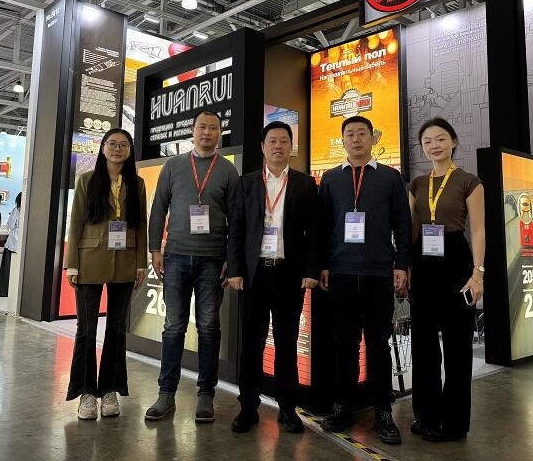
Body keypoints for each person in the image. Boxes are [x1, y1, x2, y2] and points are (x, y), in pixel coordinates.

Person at [318, 115, 410, 445]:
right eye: (350, 134)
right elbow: (323, 227)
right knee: (344, 345)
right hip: (341, 273)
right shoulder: (330, 179)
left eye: (362, 134)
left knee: (378, 345)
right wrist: (323, 265)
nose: (356, 139)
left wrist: (401, 264)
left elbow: (402, 224)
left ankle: (382, 411)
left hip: (378, 274)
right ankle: (342, 405)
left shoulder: (390, 177)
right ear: (342, 141)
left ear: (373, 138)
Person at [145, 110, 238, 424]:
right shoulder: (173, 166)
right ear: (192, 130)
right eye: (202, 127)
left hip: (213, 260)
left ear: (220, 133)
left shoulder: (227, 170)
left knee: (209, 327)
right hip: (175, 257)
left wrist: (231, 257)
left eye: (213, 128)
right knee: (173, 326)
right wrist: (154, 249)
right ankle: (166, 394)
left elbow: (236, 218)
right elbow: (159, 208)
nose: (207, 132)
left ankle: (206, 394)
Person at [226, 121, 319, 434]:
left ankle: (288, 409)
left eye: (283, 141)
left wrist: (311, 270)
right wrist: (235, 269)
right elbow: (236, 230)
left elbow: (314, 233)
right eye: (272, 141)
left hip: (288, 274)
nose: (278, 146)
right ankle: (248, 407)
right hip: (254, 275)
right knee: (251, 343)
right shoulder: (246, 183)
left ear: (291, 147)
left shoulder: (305, 184)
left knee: (286, 343)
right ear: (263, 147)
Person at [408, 118, 485, 442]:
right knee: (424, 346)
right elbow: (412, 229)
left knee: (457, 347)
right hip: (423, 264)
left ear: (453, 141)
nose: (434, 145)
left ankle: (454, 423)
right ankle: (426, 415)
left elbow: (478, 230)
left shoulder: (469, 182)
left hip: (456, 261)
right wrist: (406, 267)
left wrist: (477, 274)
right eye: (427, 141)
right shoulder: (416, 184)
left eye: (440, 139)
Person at [64, 129, 147, 420]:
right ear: (102, 148)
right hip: (89, 260)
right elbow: (76, 222)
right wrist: (71, 263)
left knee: (116, 329)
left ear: (130, 151)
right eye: (112, 144)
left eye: (123, 145)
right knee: (86, 329)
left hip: (125, 261)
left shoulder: (137, 183)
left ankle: (109, 390)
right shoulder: (87, 180)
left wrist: (141, 263)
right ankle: (87, 392)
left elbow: (141, 224)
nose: (117, 149)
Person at [0, 193, 21, 298]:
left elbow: (10, 225)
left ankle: (5, 292)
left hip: (13, 243)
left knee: (7, 269)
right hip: (22, 244)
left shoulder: (16, 210)